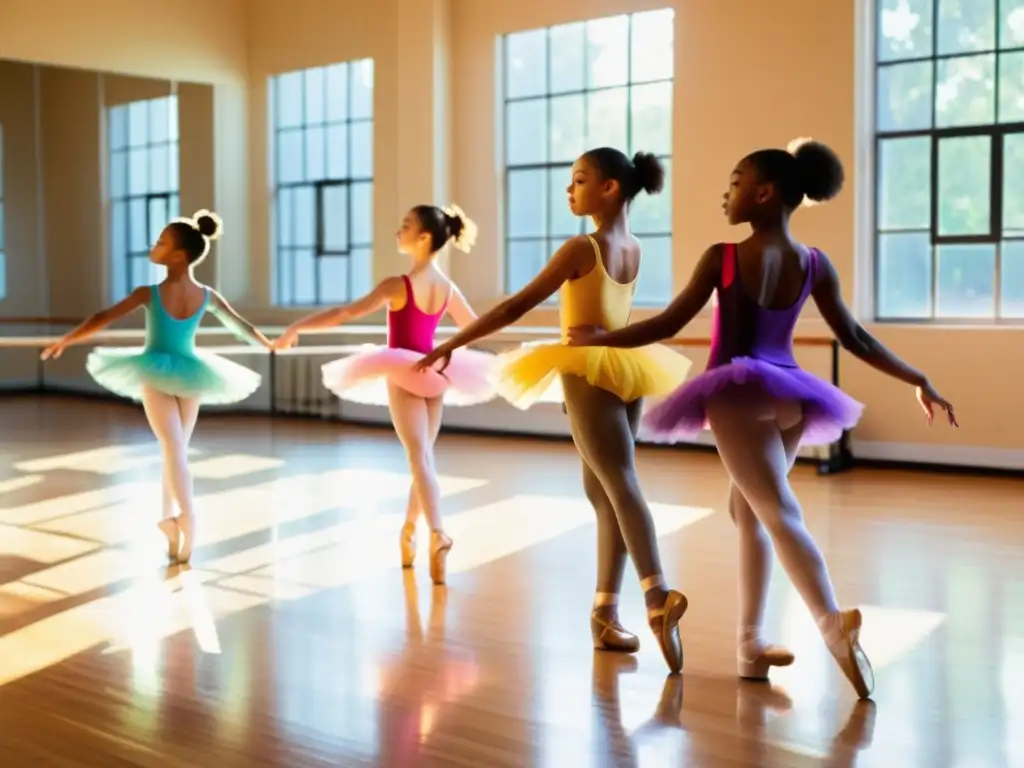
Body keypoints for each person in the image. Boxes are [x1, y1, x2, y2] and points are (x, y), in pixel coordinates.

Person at [567, 139, 958, 699]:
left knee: (776, 511)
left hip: (737, 395)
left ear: (764, 193)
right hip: (792, 399)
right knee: (747, 510)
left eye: (735, 181)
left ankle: (831, 623)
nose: (726, 192)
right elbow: (856, 337)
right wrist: (917, 377)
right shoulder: (814, 263)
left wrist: (604, 342)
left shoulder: (724, 257)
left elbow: (670, 321)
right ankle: (750, 647)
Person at [415, 149, 692, 673]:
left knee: (619, 481)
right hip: (626, 368)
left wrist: (453, 341)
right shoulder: (633, 246)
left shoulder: (581, 247)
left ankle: (657, 598)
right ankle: (605, 614)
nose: (570, 190)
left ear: (610, 188)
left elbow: (514, 306)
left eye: (580, 180)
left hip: (587, 369)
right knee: (605, 491)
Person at [273, 204, 495, 586]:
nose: (399, 230)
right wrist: (446, 352)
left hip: (404, 371)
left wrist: (296, 327)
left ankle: (438, 533)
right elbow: (475, 328)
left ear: (424, 238)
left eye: (406, 225)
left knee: (419, 458)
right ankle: (410, 531)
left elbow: (345, 312)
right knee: (422, 458)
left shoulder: (398, 285)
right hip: (437, 374)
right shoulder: (447, 287)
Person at [41, 210, 270, 563]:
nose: (155, 245)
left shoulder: (150, 293)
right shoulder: (205, 295)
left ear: (178, 255)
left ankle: (188, 520)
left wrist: (67, 340)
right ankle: (171, 526)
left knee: (173, 449)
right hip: (192, 375)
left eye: (162, 242)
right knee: (175, 452)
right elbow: (240, 326)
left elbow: (102, 318)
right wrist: (268, 343)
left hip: (158, 371)